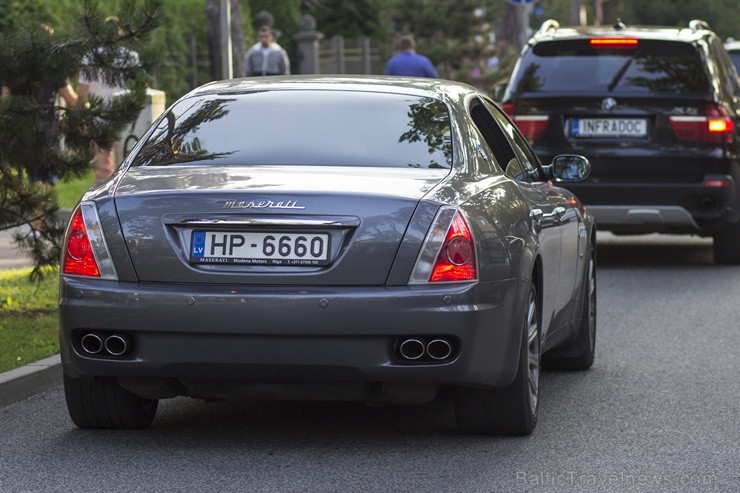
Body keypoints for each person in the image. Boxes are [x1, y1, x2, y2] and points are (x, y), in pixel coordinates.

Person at [78, 16, 140, 180]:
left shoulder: (90, 57)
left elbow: (82, 94)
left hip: (99, 118)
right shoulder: (130, 57)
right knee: (126, 167)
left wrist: (82, 118)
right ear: (120, 34)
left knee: (103, 170)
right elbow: (139, 88)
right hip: (125, 119)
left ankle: (102, 200)